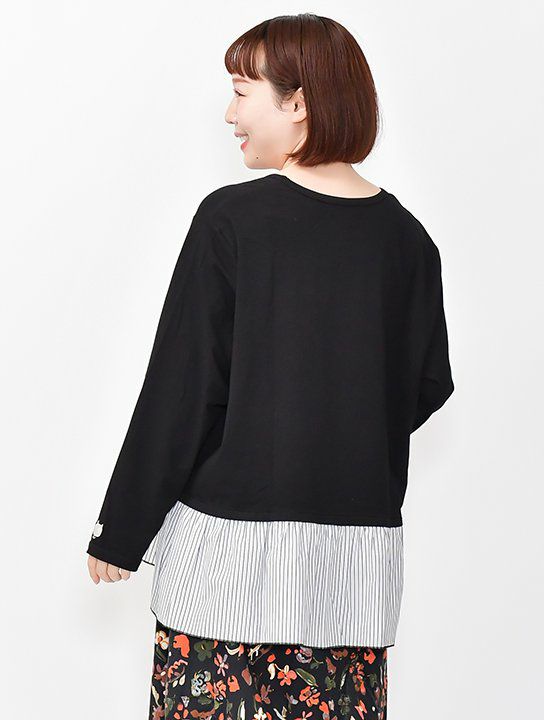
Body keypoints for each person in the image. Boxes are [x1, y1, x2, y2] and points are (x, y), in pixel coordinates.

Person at [86, 13, 455, 720]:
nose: (230, 115)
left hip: (229, 567)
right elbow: (426, 385)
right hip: (351, 583)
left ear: (298, 102)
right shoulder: (409, 242)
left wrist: (123, 528)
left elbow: (184, 387)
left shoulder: (232, 220)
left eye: (241, 92)